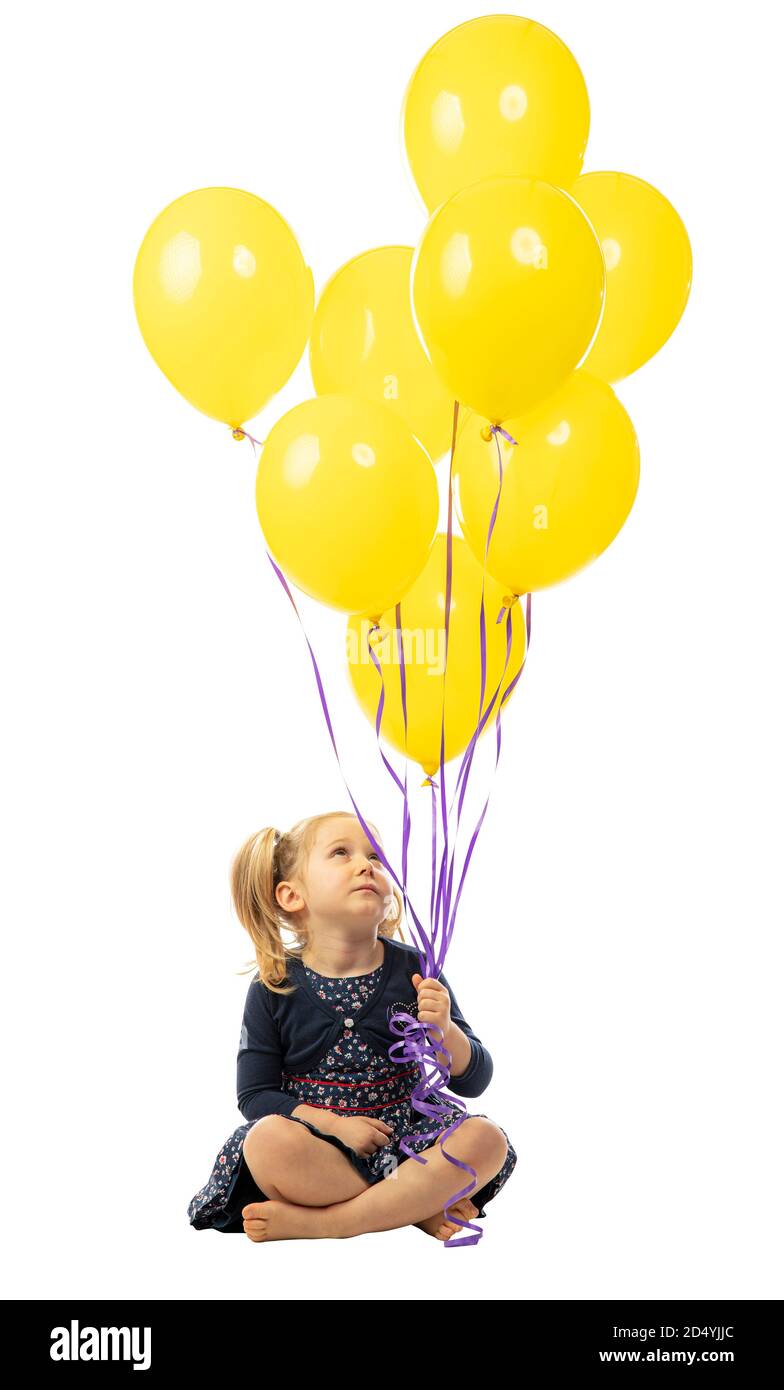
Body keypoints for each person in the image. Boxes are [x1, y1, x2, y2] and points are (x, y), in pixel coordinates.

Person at [186, 810, 517, 1242]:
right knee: (267, 1142)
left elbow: (475, 1080)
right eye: (341, 853)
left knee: (486, 1140)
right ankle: (416, 1206)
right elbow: (255, 1095)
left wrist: (446, 1034)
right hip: (321, 1142)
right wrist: (335, 1125)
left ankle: (329, 1223)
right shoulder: (274, 985)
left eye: (376, 857)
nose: (367, 865)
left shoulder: (415, 968)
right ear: (291, 896)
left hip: (409, 1138)